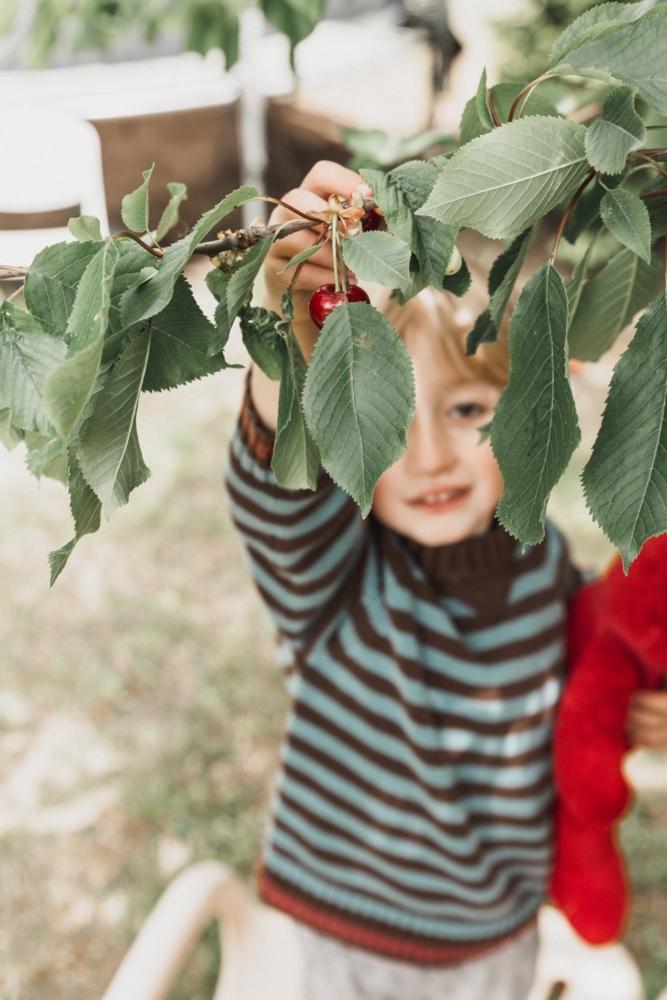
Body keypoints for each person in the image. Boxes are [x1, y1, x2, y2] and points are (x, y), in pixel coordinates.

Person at [225, 160, 667, 1000]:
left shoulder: (549, 571)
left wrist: (645, 713)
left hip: (493, 930)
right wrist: (296, 328)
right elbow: (277, 494)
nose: (426, 456)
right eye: (388, 419)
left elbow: (595, 690)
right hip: (352, 925)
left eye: (465, 410)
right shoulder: (335, 579)